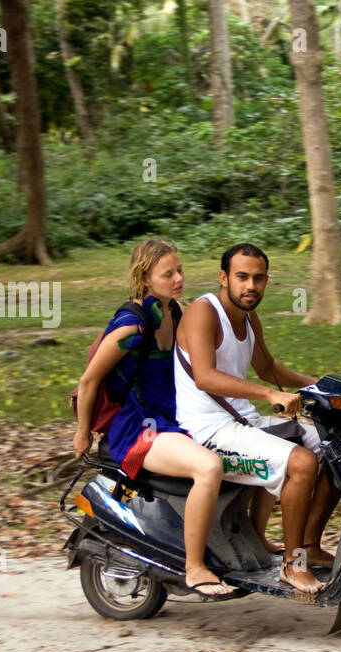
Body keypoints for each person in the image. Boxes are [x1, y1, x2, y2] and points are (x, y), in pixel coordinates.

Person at [73, 239, 236, 600]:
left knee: (247, 453)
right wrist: (83, 432)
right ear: (144, 278)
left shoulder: (176, 312)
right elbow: (89, 380)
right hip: (140, 429)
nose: (178, 278)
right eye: (168, 274)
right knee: (209, 467)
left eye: (180, 270)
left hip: (177, 419)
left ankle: (240, 550)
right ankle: (195, 569)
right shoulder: (131, 327)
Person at [173, 243, 340, 595]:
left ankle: (308, 546)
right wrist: (270, 395)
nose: (251, 286)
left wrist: (322, 385)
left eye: (259, 278)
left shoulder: (248, 316)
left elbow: (266, 367)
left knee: (336, 450)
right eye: (242, 277)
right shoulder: (203, 313)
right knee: (303, 463)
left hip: (242, 422)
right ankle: (292, 567)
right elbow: (204, 376)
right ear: (224, 278)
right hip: (208, 431)